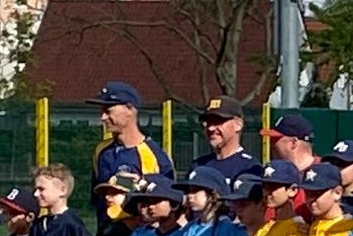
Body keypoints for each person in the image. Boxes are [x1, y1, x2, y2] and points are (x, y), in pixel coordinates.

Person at [90, 82, 172, 224]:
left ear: (129, 109)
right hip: (106, 233)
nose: (103, 117)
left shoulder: (153, 155)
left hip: (139, 233)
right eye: (101, 111)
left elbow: (165, 204)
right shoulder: (102, 151)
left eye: (108, 110)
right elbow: (97, 199)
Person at [192, 97, 256, 179]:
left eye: (218, 122)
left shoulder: (249, 168)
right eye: (208, 123)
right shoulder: (198, 165)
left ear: (238, 125)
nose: (210, 128)